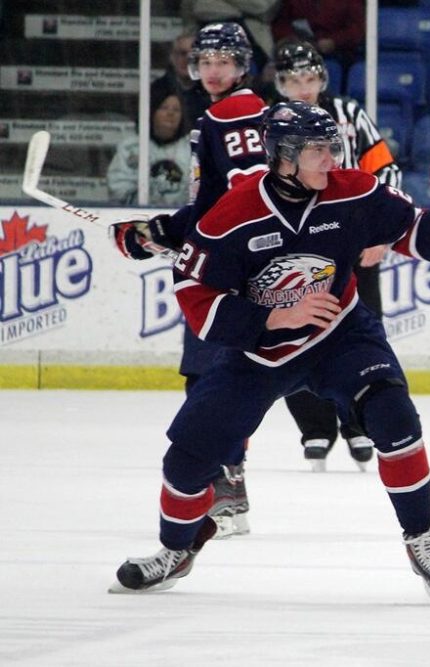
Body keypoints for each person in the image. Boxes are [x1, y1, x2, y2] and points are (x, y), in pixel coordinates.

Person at [109, 100, 430, 605]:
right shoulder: (232, 214)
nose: (331, 159)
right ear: (283, 155)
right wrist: (272, 318)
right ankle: (175, 549)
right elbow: (194, 292)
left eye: (332, 148)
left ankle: (422, 540)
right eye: (318, 150)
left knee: (394, 414)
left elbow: (417, 238)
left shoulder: (354, 191)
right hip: (258, 353)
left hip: (340, 334)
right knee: (186, 459)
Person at [110, 22, 269, 539]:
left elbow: (249, 193)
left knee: (213, 380)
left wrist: (213, 247)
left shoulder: (235, 113)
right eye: (206, 61)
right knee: (216, 377)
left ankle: (224, 490)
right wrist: (160, 231)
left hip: (232, 270)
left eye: (225, 61)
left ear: (243, 66)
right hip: (227, 262)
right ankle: (227, 485)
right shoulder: (222, 113)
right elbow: (212, 205)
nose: (213, 70)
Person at [271, 39, 403, 471]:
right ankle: (315, 428)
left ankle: (358, 422)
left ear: (322, 79)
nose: (303, 87)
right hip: (297, 248)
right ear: (280, 83)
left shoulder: (349, 114)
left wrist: (381, 231)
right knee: (297, 334)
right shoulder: (270, 123)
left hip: (352, 244)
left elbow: (385, 170)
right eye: (294, 79)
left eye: (310, 77)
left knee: (360, 336)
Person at [107, 88, 192, 206]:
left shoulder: (192, 149)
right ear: (152, 112)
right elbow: (118, 189)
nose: (170, 113)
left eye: (176, 109)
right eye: (164, 108)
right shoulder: (131, 147)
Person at [271, 1, 365, 79]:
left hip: (338, 53)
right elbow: (281, 23)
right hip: (299, 49)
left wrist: (334, 41)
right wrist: (293, 40)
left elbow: (358, 29)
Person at [152, 30, 211, 133]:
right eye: (182, 53)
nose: (187, 59)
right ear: (172, 57)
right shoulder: (157, 90)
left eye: (193, 55)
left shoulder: (211, 91)